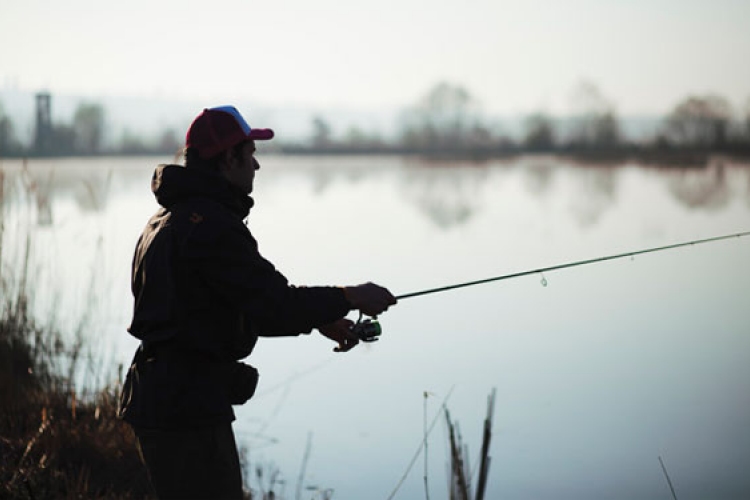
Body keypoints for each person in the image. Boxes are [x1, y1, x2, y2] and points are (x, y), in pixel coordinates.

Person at [118, 105, 397, 499]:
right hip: (185, 409)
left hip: (167, 398)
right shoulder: (211, 226)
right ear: (227, 159)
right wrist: (349, 297)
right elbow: (274, 306)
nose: (256, 165)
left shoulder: (167, 219)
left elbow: (217, 304)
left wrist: (323, 318)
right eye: (250, 154)